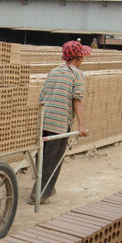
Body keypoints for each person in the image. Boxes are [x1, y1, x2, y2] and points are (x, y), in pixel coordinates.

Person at [29, 40, 90, 205]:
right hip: (59, 123)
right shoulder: (77, 74)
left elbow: (41, 97)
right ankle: (39, 195)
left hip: (44, 121)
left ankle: (46, 188)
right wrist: (81, 125)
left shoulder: (54, 71)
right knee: (53, 159)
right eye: (83, 56)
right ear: (78, 57)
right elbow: (77, 99)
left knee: (43, 157)